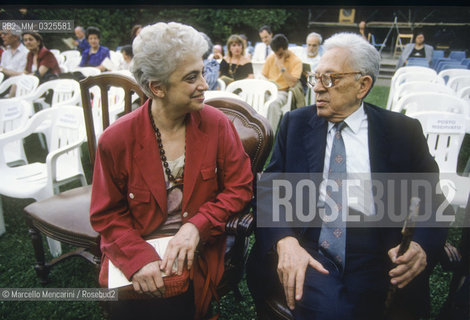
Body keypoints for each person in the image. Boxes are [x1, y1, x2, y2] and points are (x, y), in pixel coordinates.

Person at [247, 32, 448, 320]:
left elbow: (434, 199)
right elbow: (268, 189)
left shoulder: (402, 131)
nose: (318, 88)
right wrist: (285, 240)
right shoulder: (296, 124)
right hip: (309, 243)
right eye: (315, 78)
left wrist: (421, 246)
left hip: (376, 251)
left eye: (330, 79)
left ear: (362, 85)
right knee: (333, 312)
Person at [89, 22, 253, 320]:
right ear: (157, 87)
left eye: (203, 72)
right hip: (137, 245)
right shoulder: (116, 140)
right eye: (192, 77)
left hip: (200, 249)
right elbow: (106, 214)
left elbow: (240, 187)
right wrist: (138, 259)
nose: (205, 84)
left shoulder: (217, 125)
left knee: (176, 304)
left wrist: (196, 226)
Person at [262, 33, 303, 133]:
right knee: (252, 98)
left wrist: (281, 67)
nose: (277, 56)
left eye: (280, 54)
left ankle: (269, 136)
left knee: (273, 104)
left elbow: (292, 83)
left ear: (286, 49)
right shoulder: (271, 57)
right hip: (269, 89)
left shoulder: (296, 61)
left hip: (282, 92)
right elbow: (265, 74)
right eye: (275, 53)